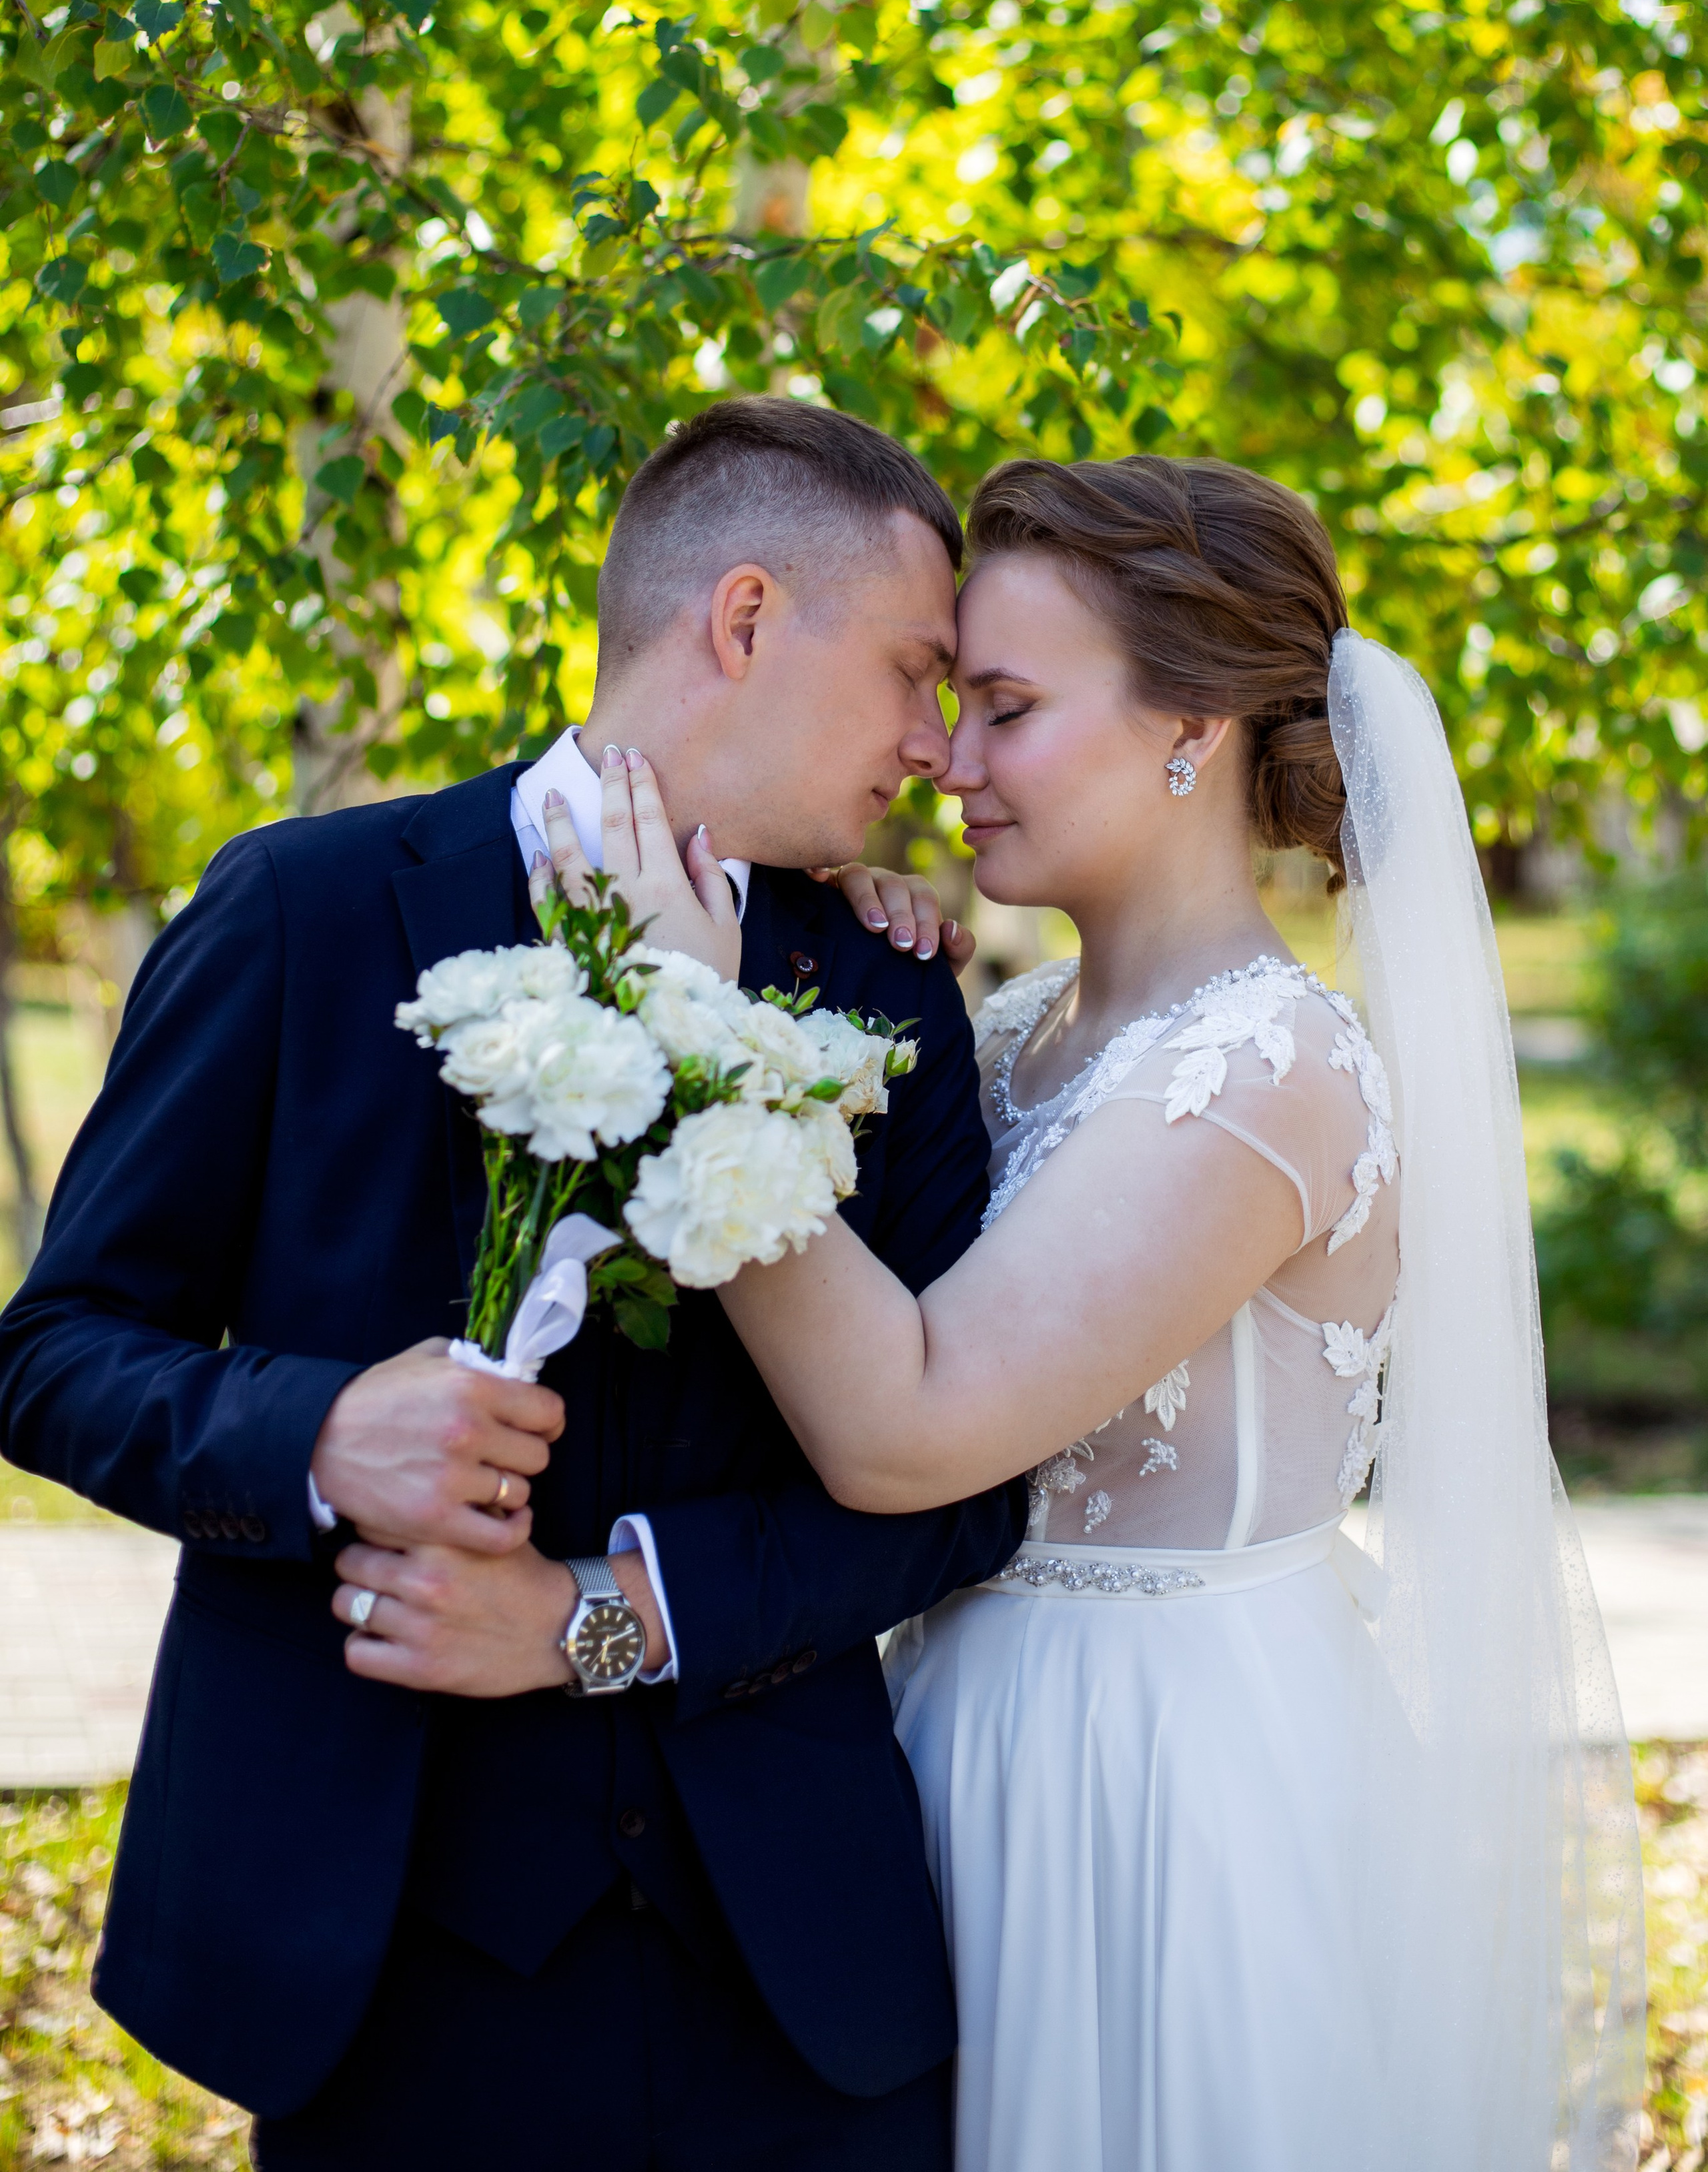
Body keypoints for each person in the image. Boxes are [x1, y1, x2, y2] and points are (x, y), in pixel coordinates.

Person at [0, 396, 1029, 2169]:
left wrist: (601, 1619)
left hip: (800, 1980)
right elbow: (55, 1354)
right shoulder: (301, 912)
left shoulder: (888, 991)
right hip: (377, 1961)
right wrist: (320, 1433)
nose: (939, 750)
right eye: (918, 673)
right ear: (747, 618)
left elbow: (963, 1493)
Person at [588, 452, 1646, 2172]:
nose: (951, 758)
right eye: (950, 703)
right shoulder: (1006, 1039)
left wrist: (702, 1041)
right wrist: (828, 993)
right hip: (960, 1732)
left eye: (1005, 706)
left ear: (1191, 730)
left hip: (1165, 1791)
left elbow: (905, 1424)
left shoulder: (1269, 1073)